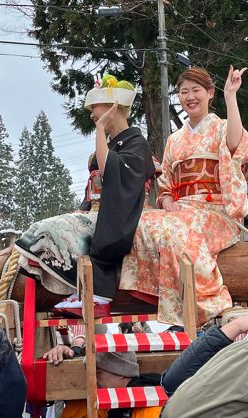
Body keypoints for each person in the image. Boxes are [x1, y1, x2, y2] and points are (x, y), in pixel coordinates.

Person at [119, 66, 248, 325]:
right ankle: (147, 291)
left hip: (215, 212)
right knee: (141, 222)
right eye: (183, 92)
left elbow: (236, 146)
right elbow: (166, 182)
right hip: (181, 211)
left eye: (196, 90)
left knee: (178, 229)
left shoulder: (221, 127)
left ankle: (210, 301)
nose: (190, 97)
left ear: (210, 93)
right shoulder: (174, 140)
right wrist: (167, 201)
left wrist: (231, 96)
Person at [16, 75, 155, 302]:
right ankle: (75, 288)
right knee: (44, 231)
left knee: (48, 230)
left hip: (122, 216)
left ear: (114, 106)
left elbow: (113, 174)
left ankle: (95, 291)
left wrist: (100, 131)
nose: (91, 115)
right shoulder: (109, 146)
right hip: (98, 212)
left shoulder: (137, 144)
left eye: (95, 108)